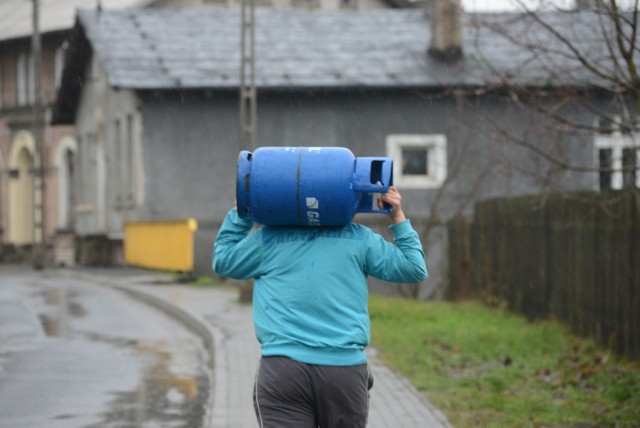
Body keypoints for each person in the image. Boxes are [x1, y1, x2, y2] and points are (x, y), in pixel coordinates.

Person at [212, 186, 428, 428]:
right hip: (344, 372)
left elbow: (223, 261)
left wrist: (242, 212)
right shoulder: (359, 239)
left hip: (283, 372)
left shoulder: (268, 239)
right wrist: (396, 214)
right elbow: (414, 268)